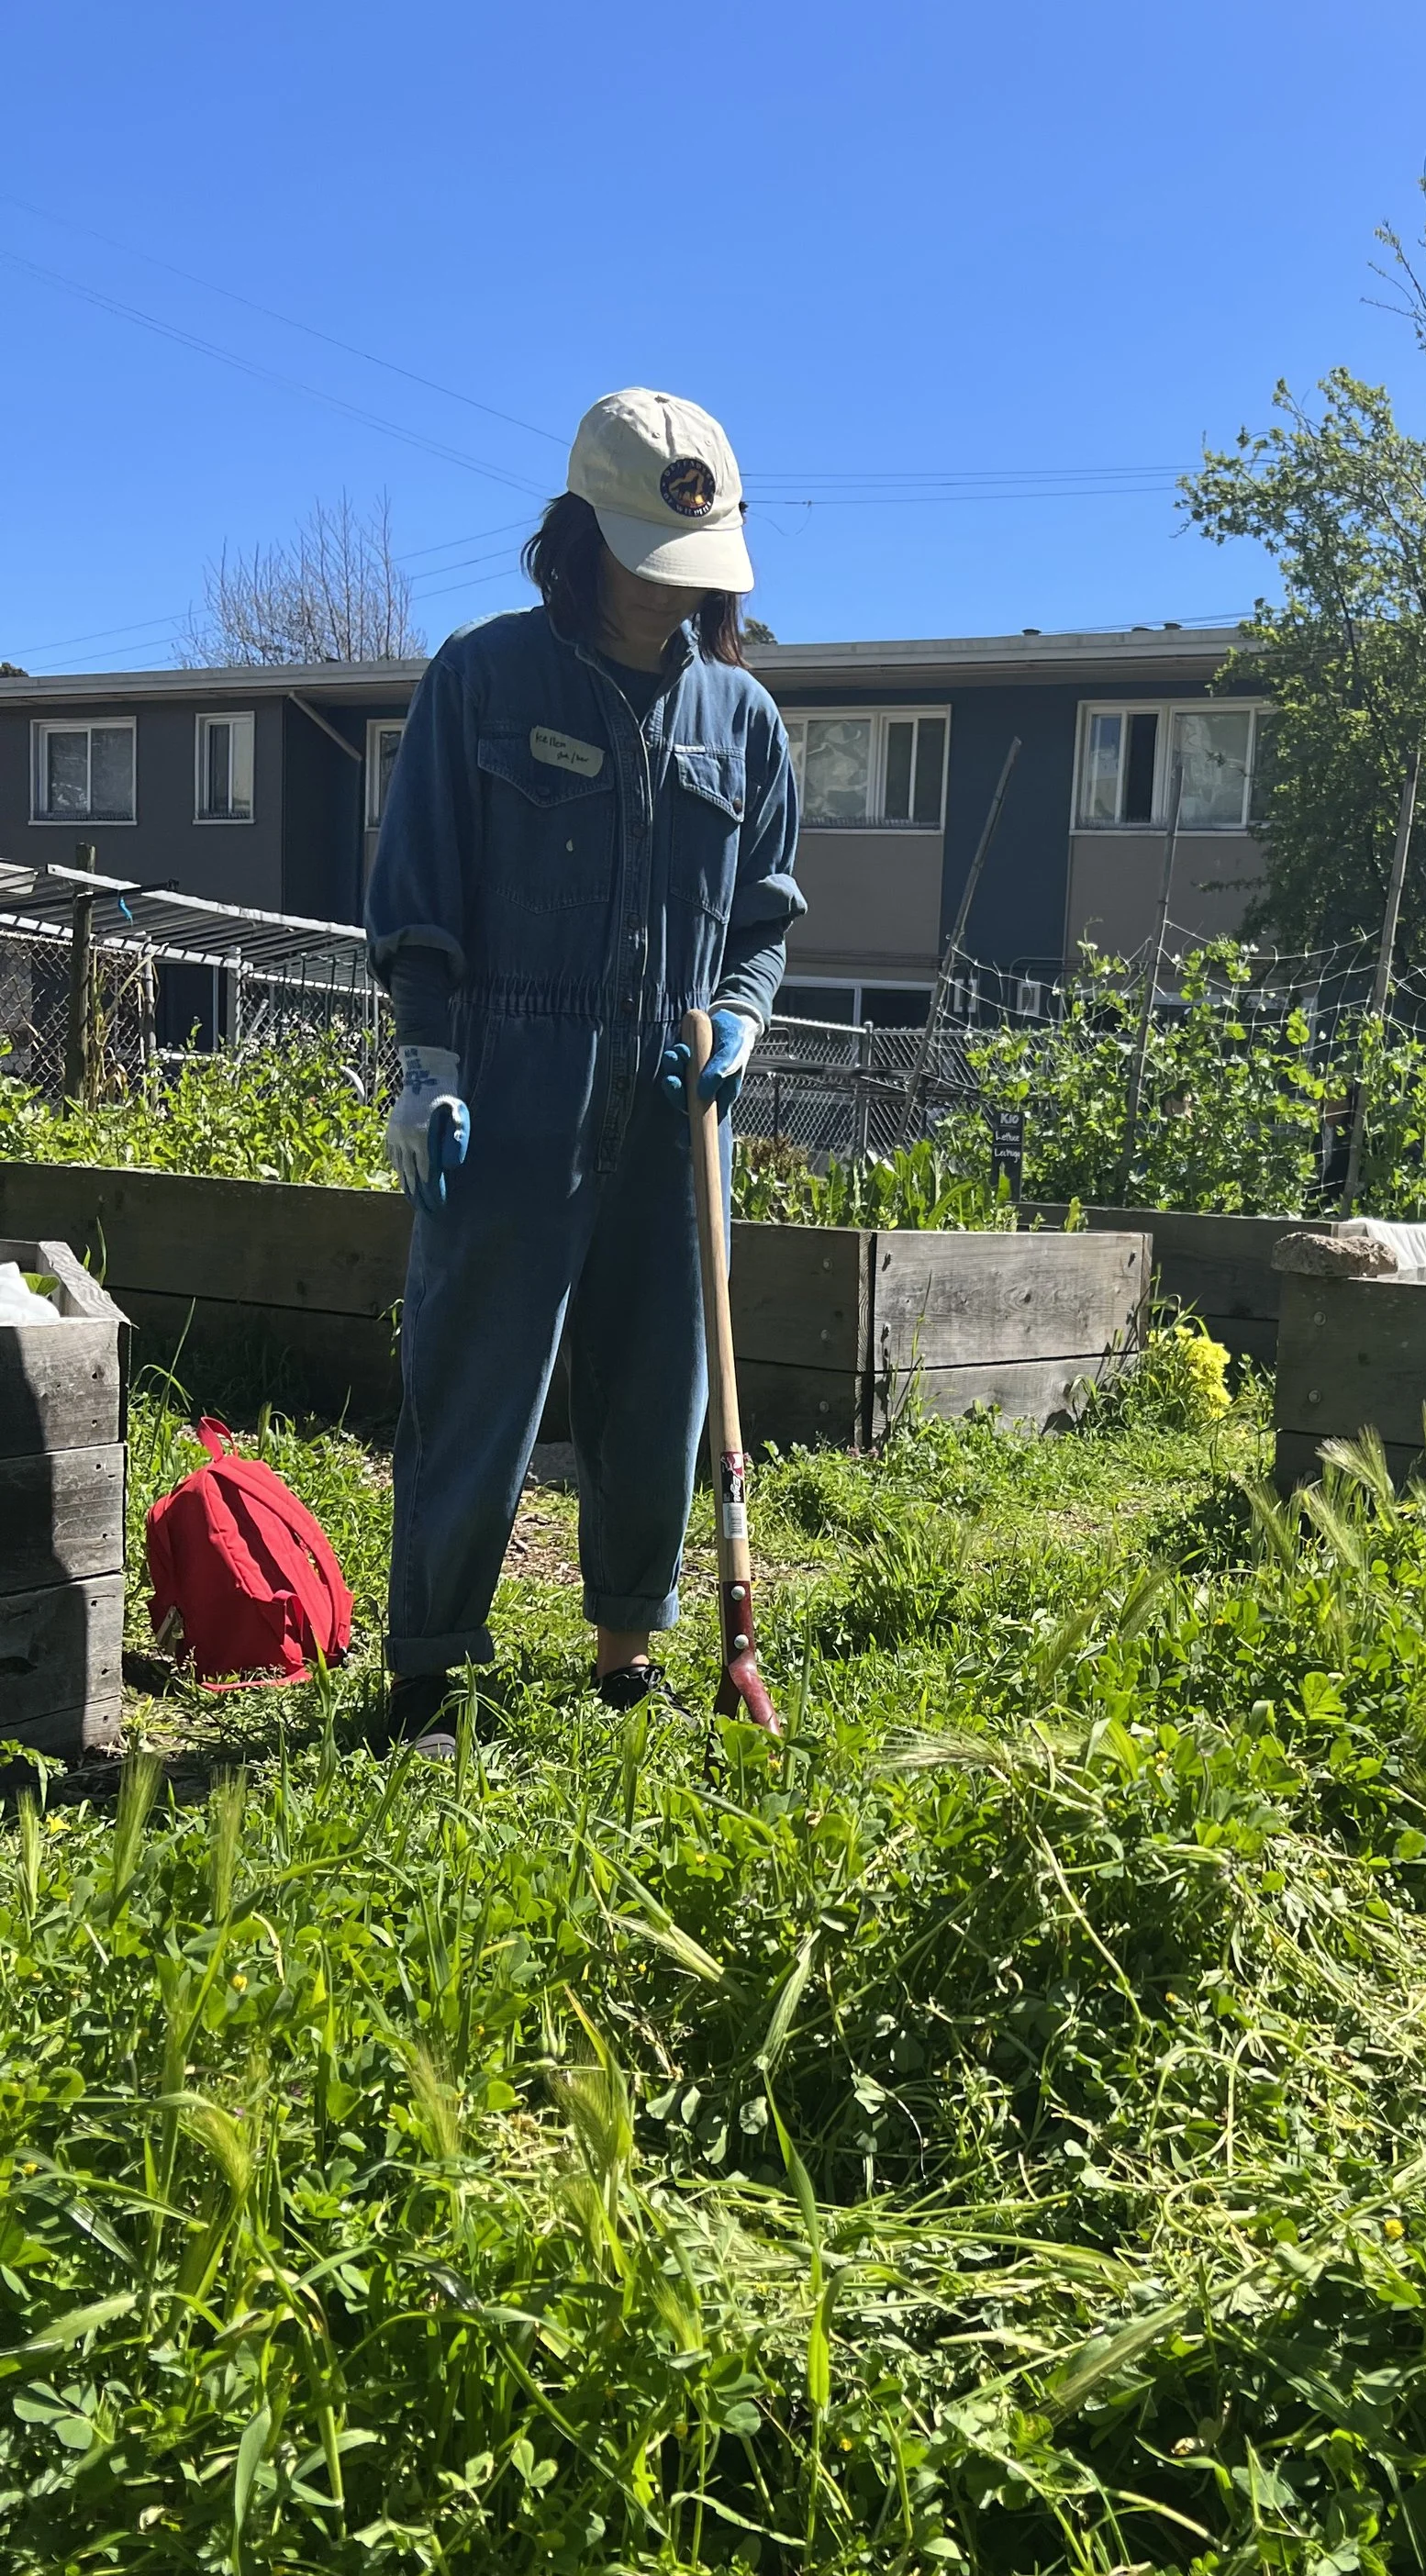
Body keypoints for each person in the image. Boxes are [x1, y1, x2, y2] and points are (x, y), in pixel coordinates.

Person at [365, 387, 802, 1754]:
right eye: (645, 565)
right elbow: (419, 899)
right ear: (580, 538)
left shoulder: (744, 722)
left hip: (678, 1092)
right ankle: (433, 1674)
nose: (671, 599)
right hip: (515, 1073)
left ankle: (628, 1654)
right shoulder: (482, 681)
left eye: (695, 575)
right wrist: (431, 1067)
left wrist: (739, 1020)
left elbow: (766, 920)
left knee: (659, 1381)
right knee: (481, 1372)